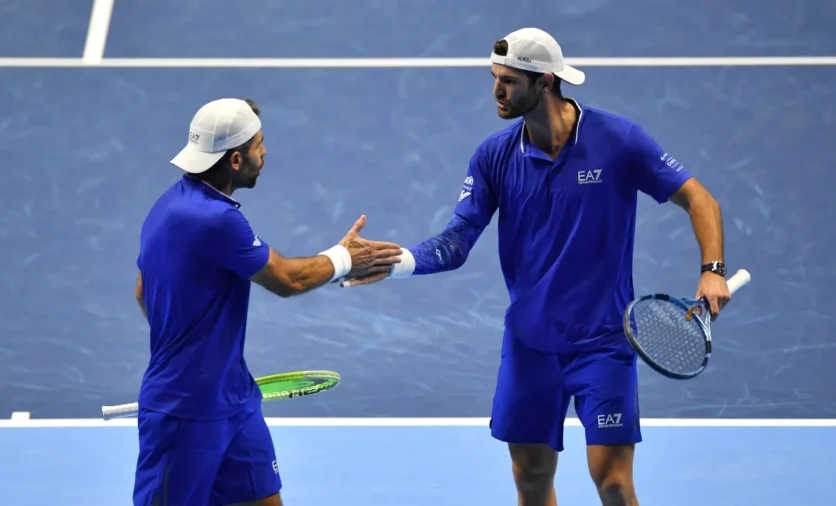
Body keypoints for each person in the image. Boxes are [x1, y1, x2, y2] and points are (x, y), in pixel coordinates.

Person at [341, 28, 731, 505]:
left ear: (545, 82)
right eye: (494, 78)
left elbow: (699, 198)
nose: (496, 91)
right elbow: (457, 240)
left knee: (612, 482)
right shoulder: (494, 156)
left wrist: (712, 267)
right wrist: (398, 261)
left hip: (603, 342)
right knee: (530, 479)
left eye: (508, 81)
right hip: (530, 344)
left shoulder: (618, 140)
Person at [131, 97, 402, 506]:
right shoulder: (217, 220)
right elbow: (289, 280)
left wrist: (202, 353)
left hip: (234, 400)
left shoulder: (168, 206)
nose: (265, 152)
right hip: (184, 413)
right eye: (259, 145)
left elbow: (142, 291)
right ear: (236, 160)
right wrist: (347, 258)